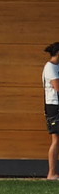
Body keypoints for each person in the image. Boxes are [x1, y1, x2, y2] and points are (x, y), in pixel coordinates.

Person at [46, 42, 59, 181]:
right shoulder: (50, 67)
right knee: (56, 139)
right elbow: (57, 86)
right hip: (54, 106)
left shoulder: (56, 67)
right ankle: (52, 173)